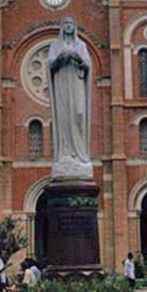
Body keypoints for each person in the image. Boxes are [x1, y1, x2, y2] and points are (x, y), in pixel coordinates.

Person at [48, 15, 93, 181]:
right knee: (64, 119)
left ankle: (79, 154)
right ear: (62, 26)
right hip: (61, 86)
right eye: (65, 23)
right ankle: (65, 153)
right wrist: (60, 59)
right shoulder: (55, 45)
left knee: (78, 114)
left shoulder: (81, 45)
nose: (68, 26)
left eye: (71, 23)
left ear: (74, 26)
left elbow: (87, 65)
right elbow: (50, 64)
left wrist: (78, 58)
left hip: (76, 83)